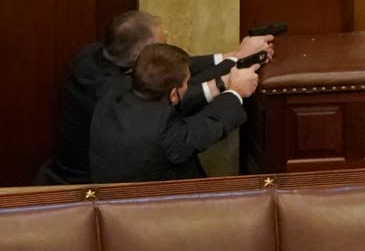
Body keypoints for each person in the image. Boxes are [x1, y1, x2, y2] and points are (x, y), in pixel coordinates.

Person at [36, 10, 275, 184]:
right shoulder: (115, 96)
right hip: (103, 191)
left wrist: (233, 58)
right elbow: (207, 125)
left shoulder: (93, 61)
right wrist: (235, 90)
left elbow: (167, 72)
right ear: (139, 59)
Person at [89, 42, 260, 183]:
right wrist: (237, 91)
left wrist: (222, 82)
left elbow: (174, 97)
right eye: (186, 83)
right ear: (173, 93)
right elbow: (208, 126)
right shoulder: (164, 131)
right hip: (157, 212)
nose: (189, 86)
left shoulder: (113, 91)